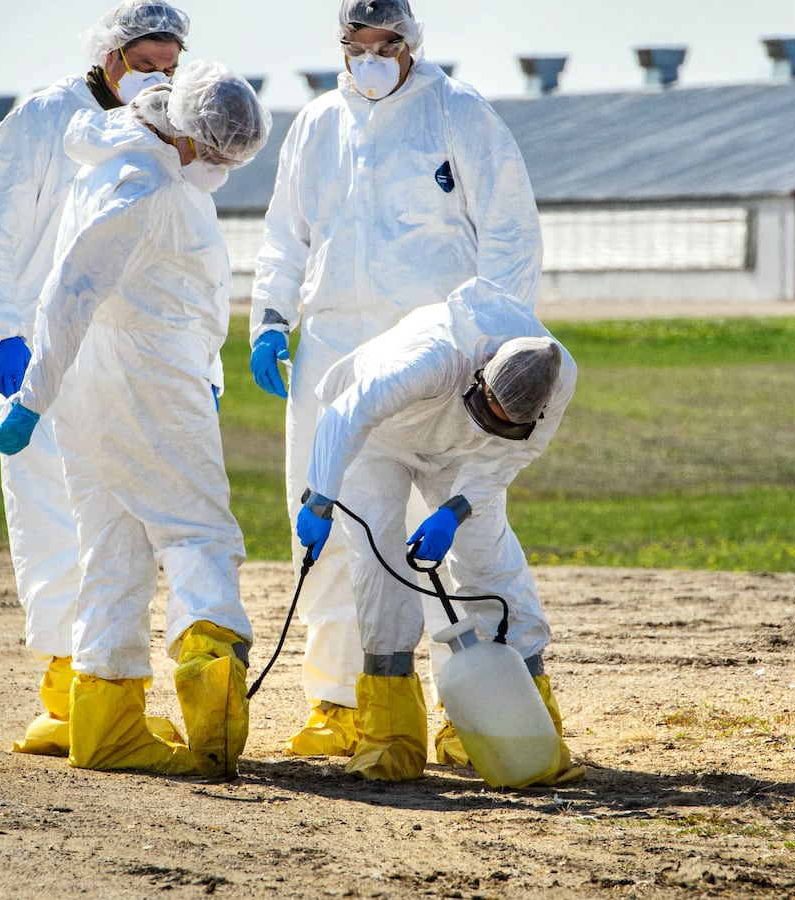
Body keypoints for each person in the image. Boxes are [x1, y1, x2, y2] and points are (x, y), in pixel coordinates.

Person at [247, 0, 543, 761]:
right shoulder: (317, 124)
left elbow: (510, 230)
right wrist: (271, 317)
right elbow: (285, 231)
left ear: (412, 43)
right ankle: (340, 700)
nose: (371, 58)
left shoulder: (459, 114)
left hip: (443, 353)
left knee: (461, 531)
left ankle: (477, 705)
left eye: (386, 44)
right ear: (340, 46)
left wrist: (498, 338)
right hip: (334, 348)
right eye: (357, 44)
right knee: (333, 523)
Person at [0, 61, 271, 778]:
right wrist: (29, 399)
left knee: (112, 544)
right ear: (188, 133)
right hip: (148, 376)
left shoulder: (121, 160)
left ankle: (107, 720)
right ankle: (212, 697)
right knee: (199, 533)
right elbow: (68, 294)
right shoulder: (143, 186)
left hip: (96, 384)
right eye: (215, 154)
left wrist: (45, 396)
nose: (217, 168)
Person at [0, 0, 192, 757]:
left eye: (168, 68)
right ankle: (67, 694)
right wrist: (2, 332)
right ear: (110, 55)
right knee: (53, 519)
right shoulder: (41, 120)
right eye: (145, 63)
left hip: (123, 360)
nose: (156, 79)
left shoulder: (159, 133)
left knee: (119, 525)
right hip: (39, 358)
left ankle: (104, 686)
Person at [292, 277, 583, 784]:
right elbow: (346, 415)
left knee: (491, 567)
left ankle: (521, 727)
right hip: (379, 439)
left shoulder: (557, 381)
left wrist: (457, 508)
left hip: (467, 456)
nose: (494, 420)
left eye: (505, 420)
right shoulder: (430, 359)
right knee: (378, 563)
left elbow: (516, 451)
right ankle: (391, 737)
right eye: (487, 409)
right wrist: (320, 499)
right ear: (479, 377)